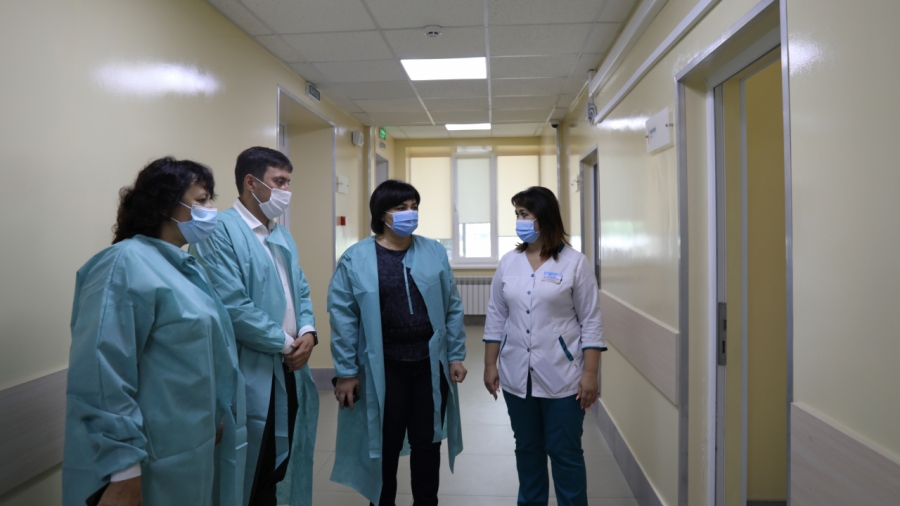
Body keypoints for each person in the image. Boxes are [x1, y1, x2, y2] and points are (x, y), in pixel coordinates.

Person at [63, 157, 246, 506]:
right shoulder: (122, 265)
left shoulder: (183, 267)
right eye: (202, 200)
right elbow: (102, 374)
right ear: (165, 205)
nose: (211, 210)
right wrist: (123, 470)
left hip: (189, 446)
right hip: (144, 460)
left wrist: (214, 413)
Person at [191, 147, 318, 506]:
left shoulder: (280, 235)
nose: (287, 191)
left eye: (289, 182)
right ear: (251, 182)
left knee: (275, 468)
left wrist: (308, 332)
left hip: (288, 368)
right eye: (280, 181)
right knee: (249, 469)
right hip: (249, 373)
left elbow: (300, 290)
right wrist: (287, 344)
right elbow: (232, 306)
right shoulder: (218, 232)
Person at [329, 180, 468, 506]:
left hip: (428, 366)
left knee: (428, 442)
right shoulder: (356, 259)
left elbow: (452, 306)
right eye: (401, 208)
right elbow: (343, 318)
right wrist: (346, 372)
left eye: (414, 207)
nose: (410, 214)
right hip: (384, 367)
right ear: (382, 214)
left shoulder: (433, 251)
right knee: (384, 444)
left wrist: (455, 355)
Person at [483, 186, 605, 506]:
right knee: (527, 450)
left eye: (524, 214)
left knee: (565, 452)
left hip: (564, 375)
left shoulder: (575, 263)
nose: (519, 221)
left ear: (544, 216)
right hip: (516, 374)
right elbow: (496, 315)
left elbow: (591, 321)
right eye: (517, 215)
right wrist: (490, 364)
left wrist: (590, 374)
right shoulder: (509, 262)